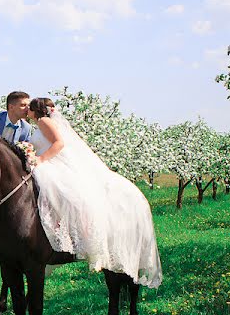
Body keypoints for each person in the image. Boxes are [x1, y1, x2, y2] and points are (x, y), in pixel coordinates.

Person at [26, 97, 163, 288]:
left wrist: (40, 159)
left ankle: (70, 232)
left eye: (28, 109)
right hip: (46, 162)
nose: (26, 112)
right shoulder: (38, 125)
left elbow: (59, 144)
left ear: (35, 110)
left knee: (59, 192)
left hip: (52, 163)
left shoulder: (43, 121)